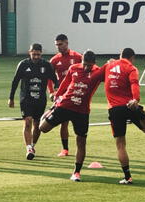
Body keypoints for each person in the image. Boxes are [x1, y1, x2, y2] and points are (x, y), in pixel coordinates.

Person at [40, 50, 105, 182]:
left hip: (82, 112)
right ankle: (50, 111)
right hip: (65, 105)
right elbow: (65, 83)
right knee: (43, 128)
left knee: (81, 142)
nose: (86, 67)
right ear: (81, 61)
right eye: (85, 64)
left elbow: (111, 78)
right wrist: (57, 96)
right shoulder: (74, 68)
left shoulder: (98, 72)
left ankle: (76, 172)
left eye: (89, 65)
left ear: (94, 64)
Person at [105, 48, 145, 184]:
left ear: (120, 56)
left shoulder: (109, 66)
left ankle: (127, 177)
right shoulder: (131, 68)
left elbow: (97, 75)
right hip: (130, 106)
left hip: (115, 109)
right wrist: (136, 99)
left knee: (121, 145)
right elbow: (134, 84)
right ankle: (142, 114)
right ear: (132, 57)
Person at [8, 43, 58, 160]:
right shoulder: (23, 64)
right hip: (26, 98)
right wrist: (11, 98)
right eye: (34, 54)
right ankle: (29, 147)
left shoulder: (46, 65)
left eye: (38, 54)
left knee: (37, 125)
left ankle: (33, 145)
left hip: (40, 99)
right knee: (28, 121)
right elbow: (15, 81)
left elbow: (55, 79)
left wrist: (55, 90)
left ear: (41, 53)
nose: (36, 57)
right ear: (29, 52)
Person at [48, 34, 83, 157]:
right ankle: (65, 149)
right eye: (56, 45)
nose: (58, 47)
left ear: (67, 43)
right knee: (64, 122)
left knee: (79, 121)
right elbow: (49, 78)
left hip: (77, 94)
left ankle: (81, 148)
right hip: (62, 95)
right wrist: (52, 92)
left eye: (60, 44)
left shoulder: (78, 57)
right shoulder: (54, 60)